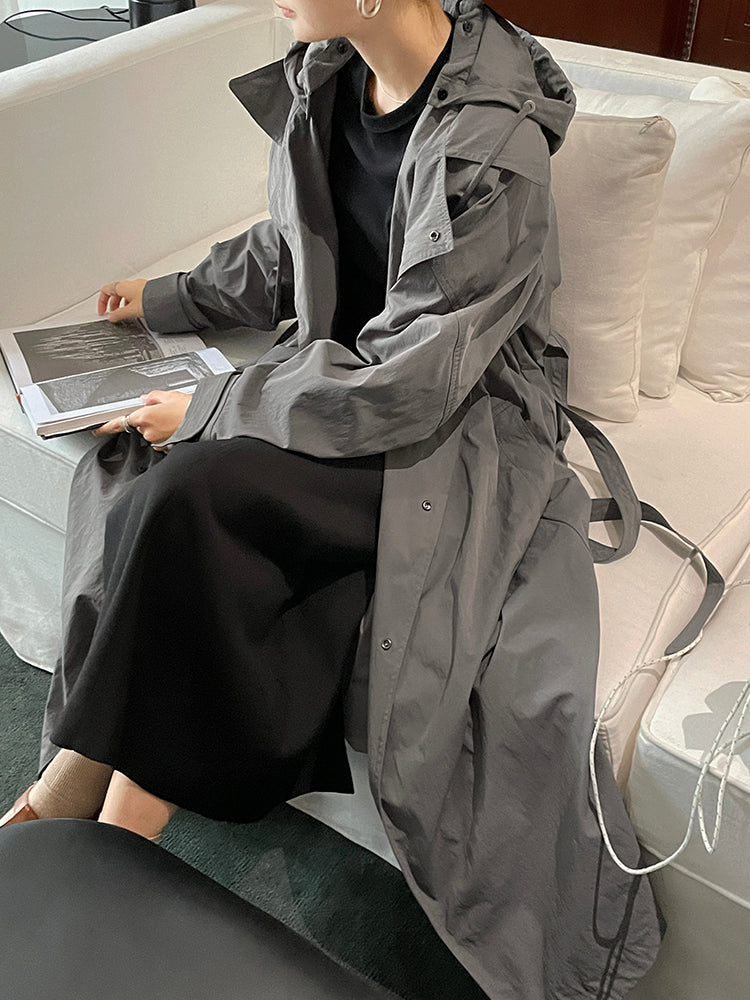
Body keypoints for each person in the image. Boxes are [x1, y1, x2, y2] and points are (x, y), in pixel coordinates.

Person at [1, 1, 664, 995]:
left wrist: (215, 404)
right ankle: (112, 807)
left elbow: (419, 380)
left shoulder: (497, 147)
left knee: (191, 487)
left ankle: (95, 803)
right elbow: (294, 245)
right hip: (336, 395)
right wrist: (172, 297)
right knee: (160, 487)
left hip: (448, 431)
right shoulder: (329, 79)